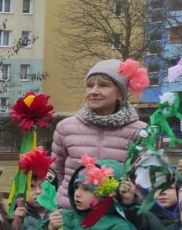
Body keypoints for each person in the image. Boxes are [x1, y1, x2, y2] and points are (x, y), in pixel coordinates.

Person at [51, 59, 148, 209]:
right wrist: (62, 200)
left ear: (120, 93)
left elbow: (144, 180)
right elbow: (56, 170)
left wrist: (129, 201)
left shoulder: (141, 132)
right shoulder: (65, 128)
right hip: (70, 212)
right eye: (90, 86)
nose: (94, 91)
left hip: (116, 214)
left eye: (103, 85)